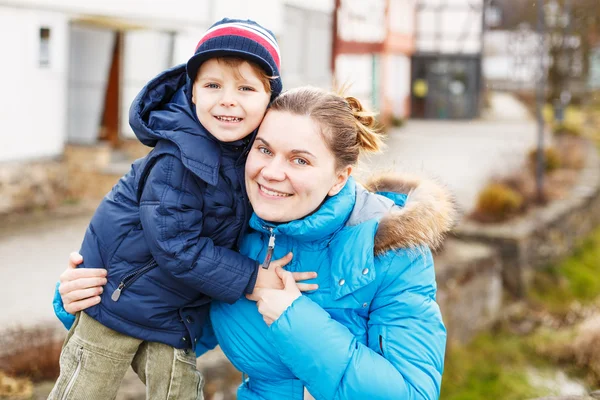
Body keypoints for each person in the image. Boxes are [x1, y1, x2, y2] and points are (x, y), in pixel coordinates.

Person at [57, 87, 457, 399]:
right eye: (263, 150)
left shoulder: (392, 252)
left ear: (340, 177)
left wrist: (293, 316)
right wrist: (83, 296)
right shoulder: (236, 237)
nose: (271, 172)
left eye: (299, 160)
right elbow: (176, 330)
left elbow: (413, 392)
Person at [49, 18, 318, 400]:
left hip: (171, 313)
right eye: (213, 86)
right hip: (114, 298)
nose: (228, 99)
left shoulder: (249, 157)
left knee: (179, 389)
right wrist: (253, 279)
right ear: (192, 93)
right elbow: (176, 245)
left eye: (245, 88)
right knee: (86, 385)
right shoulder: (178, 158)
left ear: (269, 100)